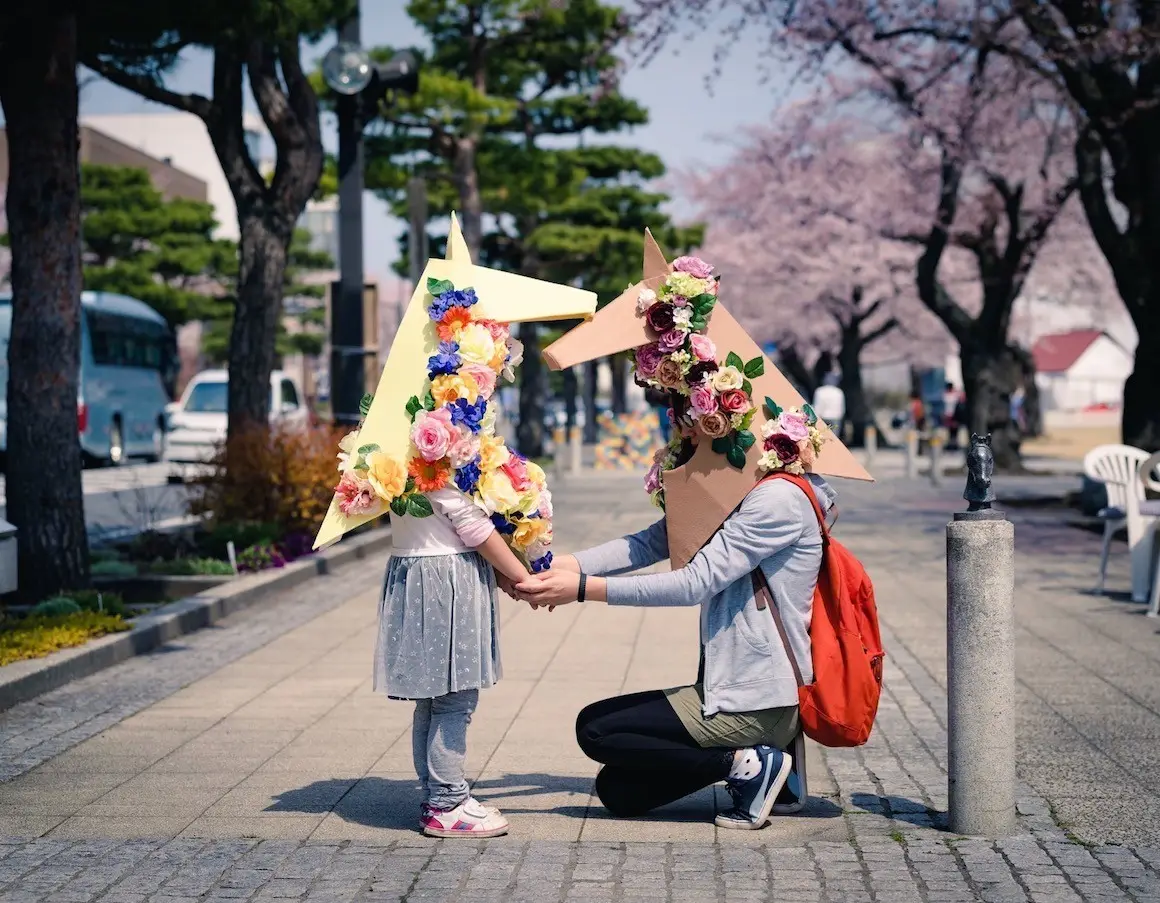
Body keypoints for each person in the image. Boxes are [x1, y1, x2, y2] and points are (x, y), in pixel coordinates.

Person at [511, 447, 834, 830]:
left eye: (694, 420)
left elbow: (694, 583)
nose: (686, 433)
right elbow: (651, 542)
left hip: (758, 696)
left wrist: (582, 589)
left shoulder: (777, 499)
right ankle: (758, 765)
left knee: (596, 729)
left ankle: (750, 762)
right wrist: (549, 566)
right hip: (732, 685)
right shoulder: (737, 485)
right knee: (618, 792)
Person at [811, 374, 846, 441]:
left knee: (820, 437)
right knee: (834, 438)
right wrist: (840, 416)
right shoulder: (839, 392)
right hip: (835, 417)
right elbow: (841, 407)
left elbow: (818, 405)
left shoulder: (819, 391)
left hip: (823, 416)